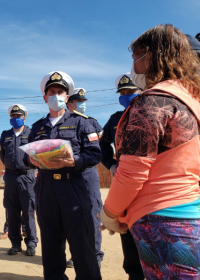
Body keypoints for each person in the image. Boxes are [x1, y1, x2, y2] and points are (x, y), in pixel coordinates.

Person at [100, 24, 200, 279]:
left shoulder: (153, 101)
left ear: (152, 57)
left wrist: (110, 213)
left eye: (136, 58)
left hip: (161, 221)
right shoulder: (190, 98)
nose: (133, 67)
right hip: (189, 213)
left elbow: (133, 172)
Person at [27, 71, 102, 280]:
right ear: (44, 97)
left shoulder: (82, 123)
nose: (56, 95)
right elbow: (26, 156)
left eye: (60, 92)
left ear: (67, 97)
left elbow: (95, 154)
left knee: (82, 245)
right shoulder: (37, 127)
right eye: (52, 92)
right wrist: (31, 160)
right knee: (50, 245)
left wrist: (74, 161)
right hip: (46, 189)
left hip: (74, 188)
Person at [99, 73, 144, 280]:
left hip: (149, 184)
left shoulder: (151, 113)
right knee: (126, 228)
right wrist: (111, 165)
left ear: (141, 91)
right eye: (123, 93)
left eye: (131, 92)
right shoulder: (116, 119)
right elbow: (102, 145)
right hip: (124, 181)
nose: (127, 96)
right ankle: (134, 274)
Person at [65, 88, 104, 269]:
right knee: (72, 217)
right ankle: (76, 254)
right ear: (69, 103)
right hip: (68, 177)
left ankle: (95, 253)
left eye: (83, 100)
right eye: (78, 100)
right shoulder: (60, 122)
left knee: (92, 215)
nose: (82, 103)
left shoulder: (92, 123)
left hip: (87, 175)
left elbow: (97, 150)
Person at [0, 104, 38, 256]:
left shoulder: (31, 133)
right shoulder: (5, 135)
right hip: (10, 177)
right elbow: (2, 154)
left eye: (19, 116)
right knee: (12, 211)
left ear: (24, 118)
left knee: (28, 211)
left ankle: (31, 243)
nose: (16, 119)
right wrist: (10, 166)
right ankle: (15, 244)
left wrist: (35, 170)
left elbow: (37, 152)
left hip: (27, 176)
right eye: (13, 116)